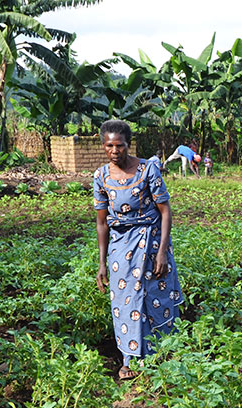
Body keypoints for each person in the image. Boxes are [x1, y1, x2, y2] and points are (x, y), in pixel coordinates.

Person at [94, 119, 184, 380]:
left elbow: (165, 212)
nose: (114, 151)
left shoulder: (147, 170)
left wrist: (162, 252)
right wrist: (101, 262)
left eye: (119, 145)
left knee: (155, 296)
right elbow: (101, 222)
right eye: (109, 146)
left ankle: (162, 354)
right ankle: (131, 358)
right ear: (103, 146)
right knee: (126, 301)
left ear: (127, 145)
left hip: (152, 240)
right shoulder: (100, 177)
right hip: (120, 248)